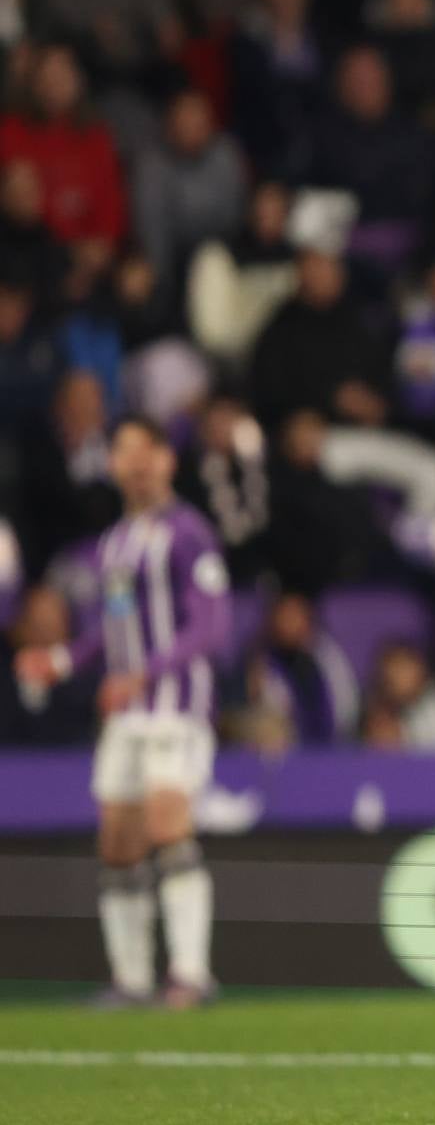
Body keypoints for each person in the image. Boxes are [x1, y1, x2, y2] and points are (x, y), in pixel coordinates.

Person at [15, 417, 231, 1008]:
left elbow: (210, 626)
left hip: (175, 708)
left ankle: (191, 973)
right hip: (127, 712)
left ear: (167, 461)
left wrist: (145, 674)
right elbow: (109, 634)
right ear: (110, 465)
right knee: (117, 844)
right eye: (124, 452)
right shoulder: (113, 545)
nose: (136, 462)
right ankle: (132, 981)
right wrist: (60, 661)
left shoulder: (191, 534)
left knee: (167, 825)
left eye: (147, 451)